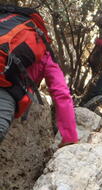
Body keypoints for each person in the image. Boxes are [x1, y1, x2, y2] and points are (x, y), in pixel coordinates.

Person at [0, 5, 78, 147]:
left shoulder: (4, 26)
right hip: (6, 93)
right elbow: (61, 93)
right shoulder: (43, 50)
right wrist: (69, 136)